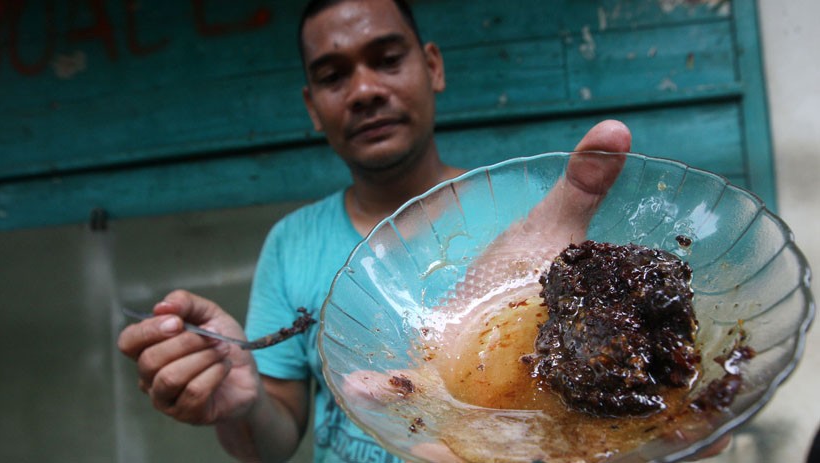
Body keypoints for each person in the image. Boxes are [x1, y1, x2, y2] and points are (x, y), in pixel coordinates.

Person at [117, 0, 694, 461]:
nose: (365, 90)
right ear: (312, 107)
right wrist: (242, 406)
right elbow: (274, 438)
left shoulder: (539, 216)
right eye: (333, 75)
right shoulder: (291, 243)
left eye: (387, 58)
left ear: (433, 66)